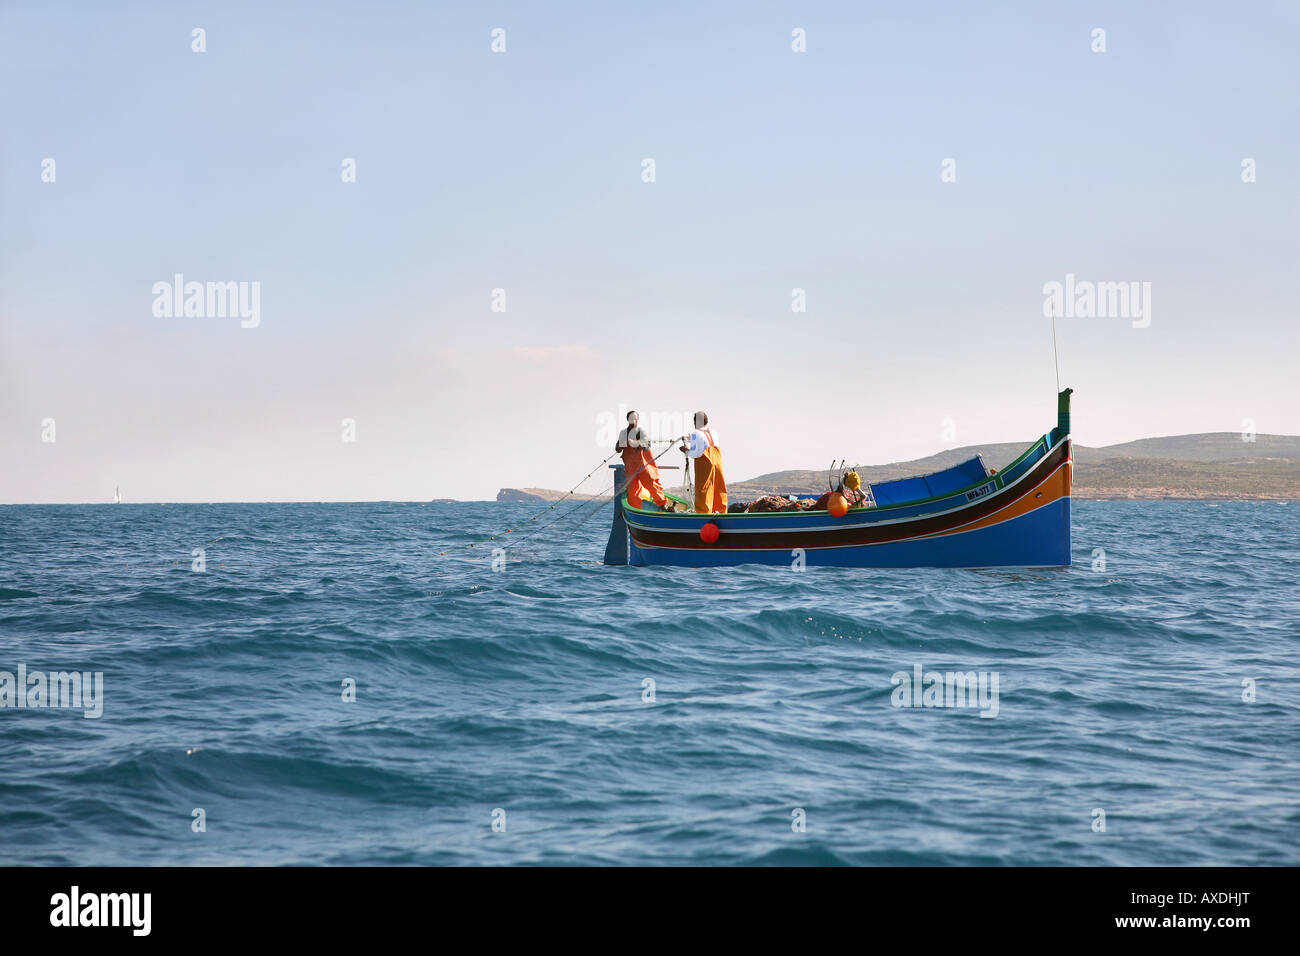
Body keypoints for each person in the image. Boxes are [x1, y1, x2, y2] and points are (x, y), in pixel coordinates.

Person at [616, 410, 669, 510]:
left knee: (652, 484)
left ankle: (663, 505)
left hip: (644, 466)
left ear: (638, 420)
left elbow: (647, 444)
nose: (634, 421)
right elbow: (617, 449)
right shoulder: (623, 433)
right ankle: (635, 510)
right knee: (633, 489)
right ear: (628, 420)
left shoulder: (641, 431)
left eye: (635, 419)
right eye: (632, 419)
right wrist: (621, 444)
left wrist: (638, 443)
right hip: (630, 467)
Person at [679, 411, 727, 513]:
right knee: (719, 488)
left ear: (696, 422)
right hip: (717, 462)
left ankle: (703, 514)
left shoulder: (695, 433)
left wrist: (686, 450)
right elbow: (704, 442)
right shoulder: (713, 432)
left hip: (705, 464)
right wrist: (691, 440)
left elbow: (694, 453)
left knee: (704, 490)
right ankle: (722, 512)